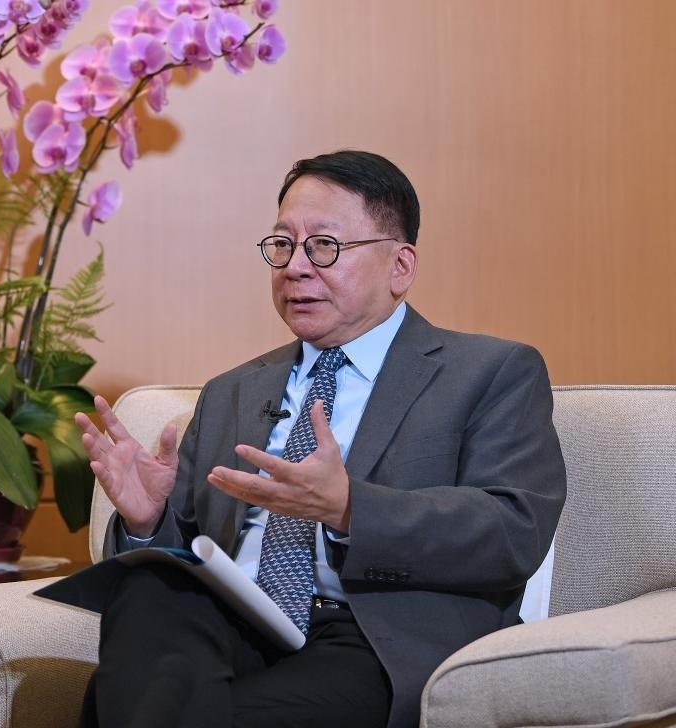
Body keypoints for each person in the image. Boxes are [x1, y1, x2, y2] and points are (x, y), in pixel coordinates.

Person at [75, 149, 567, 728]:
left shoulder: (489, 372)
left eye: (325, 246)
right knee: (149, 595)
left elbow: (514, 531)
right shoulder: (233, 390)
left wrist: (351, 508)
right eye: (283, 245)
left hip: (374, 636)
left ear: (400, 266)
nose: (296, 268)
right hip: (232, 625)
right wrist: (147, 522)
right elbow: (189, 553)